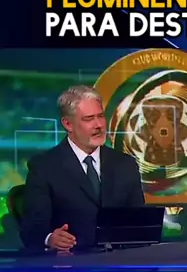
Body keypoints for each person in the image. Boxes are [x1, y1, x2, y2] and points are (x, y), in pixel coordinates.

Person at [20, 85, 145, 252]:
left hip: (119, 260)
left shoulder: (125, 164)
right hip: (72, 261)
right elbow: (32, 228)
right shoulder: (44, 167)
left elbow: (140, 224)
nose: (98, 125)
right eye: (89, 119)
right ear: (68, 124)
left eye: (100, 116)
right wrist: (50, 238)